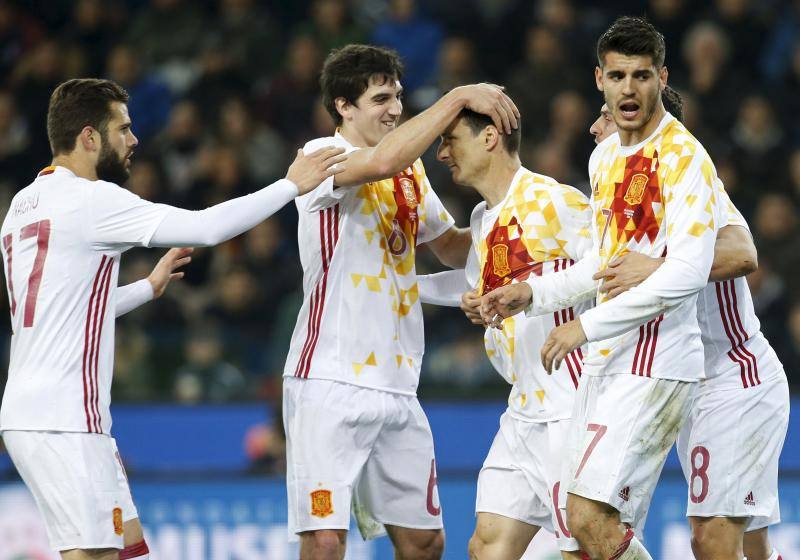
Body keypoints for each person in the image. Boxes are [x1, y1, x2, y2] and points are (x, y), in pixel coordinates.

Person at [0, 77, 346, 560]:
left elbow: (65, 311)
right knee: (95, 555)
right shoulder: (92, 200)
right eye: (123, 128)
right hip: (63, 419)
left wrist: (148, 287)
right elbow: (206, 228)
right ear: (89, 137)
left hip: (42, 412)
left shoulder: (22, 204)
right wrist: (291, 184)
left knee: (129, 550)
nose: (134, 139)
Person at [480, 17, 725, 559]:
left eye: (641, 75)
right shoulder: (606, 157)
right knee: (586, 533)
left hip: (659, 363)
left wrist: (582, 326)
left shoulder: (685, 160)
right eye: (618, 76)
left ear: (663, 77)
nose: (629, 89)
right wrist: (534, 294)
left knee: (587, 516)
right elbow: (601, 260)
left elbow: (686, 274)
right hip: (608, 360)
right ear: (599, 79)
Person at [281, 44, 519, 560]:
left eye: (398, 96)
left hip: (397, 385)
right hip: (329, 380)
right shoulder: (320, 155)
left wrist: (512, 216)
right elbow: (383, 159)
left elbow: (451, 246)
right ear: (344, 106)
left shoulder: (409, 172)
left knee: (425, 543)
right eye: (381, 98)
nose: (395, 108)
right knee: (324, 542)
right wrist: (457, 98)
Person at [590, 90, 788, 560]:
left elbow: (744, 254)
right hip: (685, 387)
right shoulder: (620, 205)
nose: (595, 128)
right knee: (750, 548)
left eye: (606, 117)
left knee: (710, 540)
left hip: (736, 377)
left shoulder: (697, 186)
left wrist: (655, 264)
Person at [423, 107, 592, 560]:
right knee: (487, 546)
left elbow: (611, 265)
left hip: (570, 405)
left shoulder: (553, 199)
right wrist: (407, 291)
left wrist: (537, 294)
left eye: (450, 140)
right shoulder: (482, 218)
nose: (441, 153)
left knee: (587, 546)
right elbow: (480, 282)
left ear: (491, 137)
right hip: (522, 407)